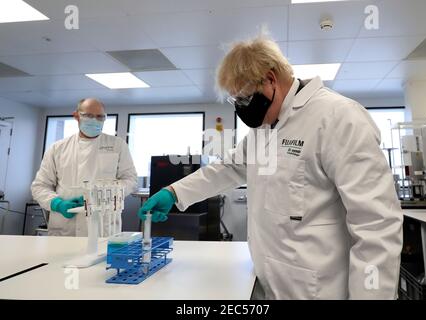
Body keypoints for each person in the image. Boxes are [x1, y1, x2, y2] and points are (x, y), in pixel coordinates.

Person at [137, 36, 403, 299]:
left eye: (244, 99)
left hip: (320, 290)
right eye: (236, 102)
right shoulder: (263, 129)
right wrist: (174, 192)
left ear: (271, 79)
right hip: (267, 284)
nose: (242, 109)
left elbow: (376, 224)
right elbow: (227, 168)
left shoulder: (338, 118)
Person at [32, 98, 137, 236]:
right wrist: (57, 203)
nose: (94, 120)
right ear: (76, 116)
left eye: (100, 116)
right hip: (65, 227)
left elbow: (130, 180)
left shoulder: (117, 145)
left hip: (103, 226)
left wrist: (101, 195)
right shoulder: (58, 148)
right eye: (89, 115)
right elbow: (40, 186)